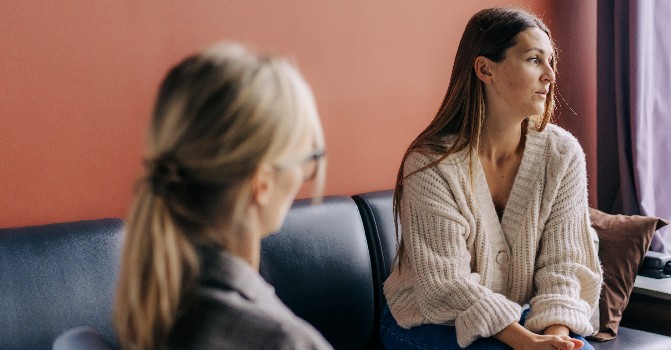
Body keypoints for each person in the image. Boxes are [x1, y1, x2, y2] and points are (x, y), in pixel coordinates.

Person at [381, 7, 603, 350]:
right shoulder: (431, 164)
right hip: (431, 322)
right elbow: (446, 285)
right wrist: (525, 342)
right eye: (534, 60)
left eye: (551, 62)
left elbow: (565, 264)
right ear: (485, 69)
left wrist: (557, 339)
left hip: (525, 319)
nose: (550, 76)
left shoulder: (562, 154)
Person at [113, 43, 332, 350]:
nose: (304, 178)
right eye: (305, 160)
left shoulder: (152, 306)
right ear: (262, 183)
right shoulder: (285, 342)